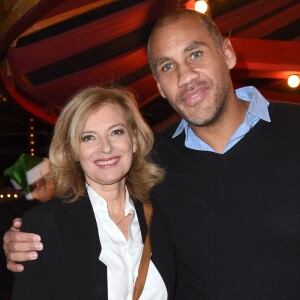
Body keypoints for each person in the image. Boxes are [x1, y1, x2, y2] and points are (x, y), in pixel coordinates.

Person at [4, 8, 300, 299]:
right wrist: (26, 239)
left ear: (227, 53)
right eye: (167, 66)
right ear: (159, 86)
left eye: (195, 53)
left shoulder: (294, 128)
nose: (185, 76)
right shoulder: (153, 161)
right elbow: (93, 206)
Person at [10, 86, 167, 299]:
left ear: (135, 141)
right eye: (88, 138)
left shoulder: (165, 211)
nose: (106, 147)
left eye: (116, 132)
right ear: (73, 150)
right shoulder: (43, 227)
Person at [0, 154, 54, 300]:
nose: (56, 184)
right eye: (52, 180)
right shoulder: (41, 215)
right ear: (40, 183)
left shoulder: (5, 210)